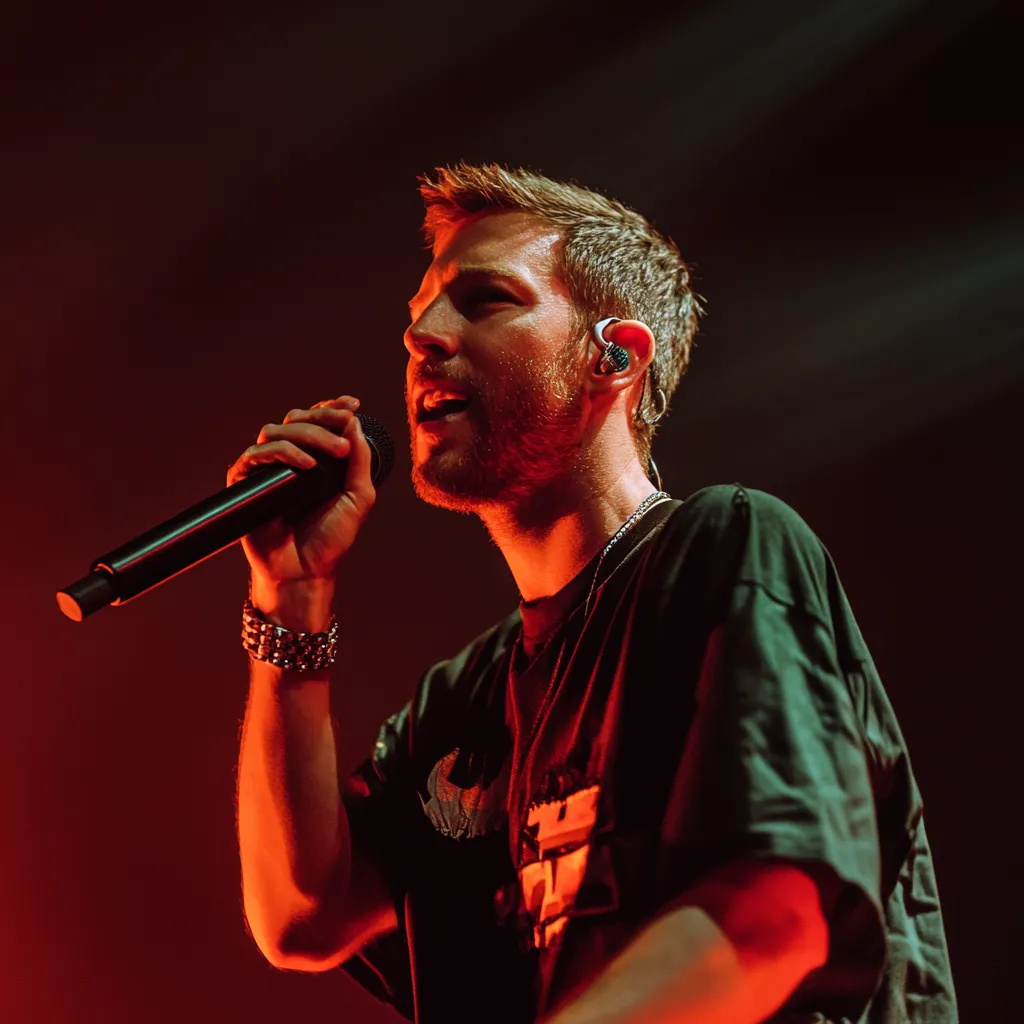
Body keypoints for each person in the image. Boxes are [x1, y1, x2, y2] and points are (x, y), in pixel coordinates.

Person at [230, 164, 957, 1024]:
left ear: (615, 356)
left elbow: (767, 923)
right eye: (419, 310)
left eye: (486, 299)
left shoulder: (723, 546)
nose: (421, 334)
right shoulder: (460, 703)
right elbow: (302, 918)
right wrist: (290, 598)